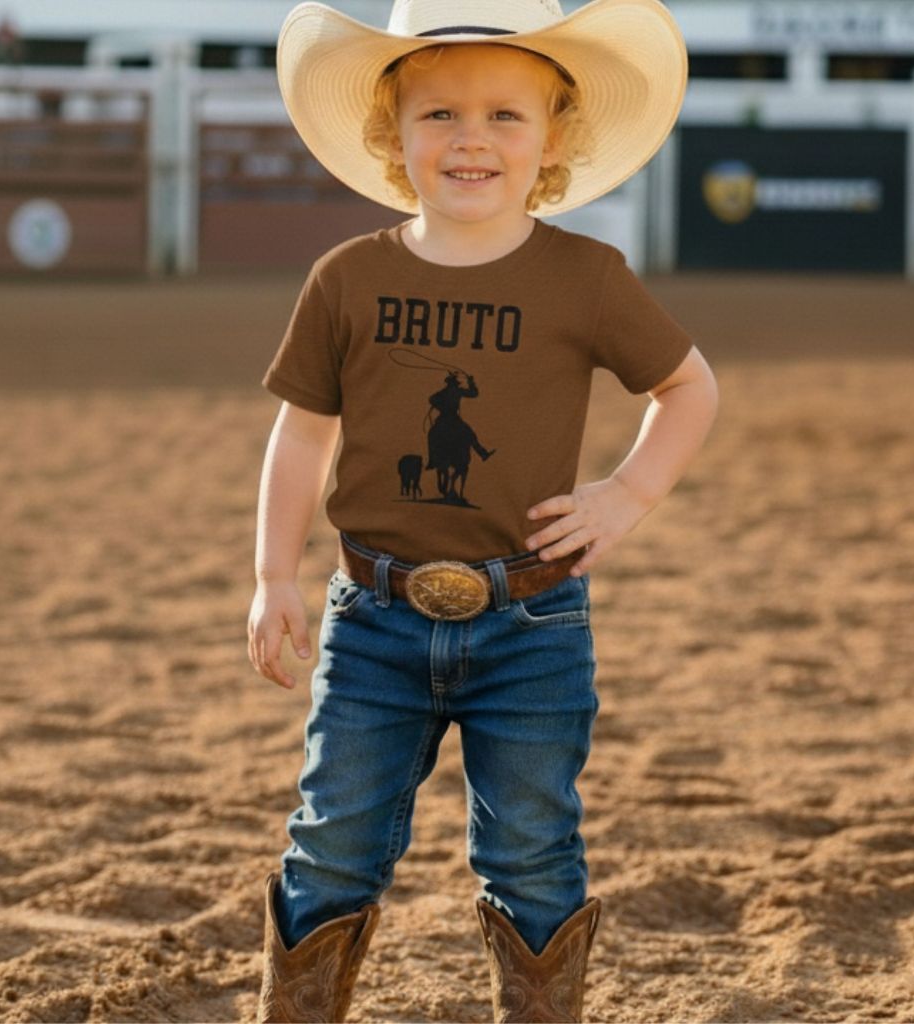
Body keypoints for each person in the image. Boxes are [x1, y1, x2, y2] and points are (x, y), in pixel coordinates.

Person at [248, 1, 719, 1020]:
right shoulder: (346, 278)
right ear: (392, 133)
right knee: (331, 840)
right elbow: (302, 432)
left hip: (533, 625)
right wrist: (273, 573)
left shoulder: (587, 278)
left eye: (505, 114)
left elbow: (688, 388)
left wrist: (627, 493)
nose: (472, 138)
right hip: (371, 622)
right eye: (440, 113)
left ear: (553, 137)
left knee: (534, 847)